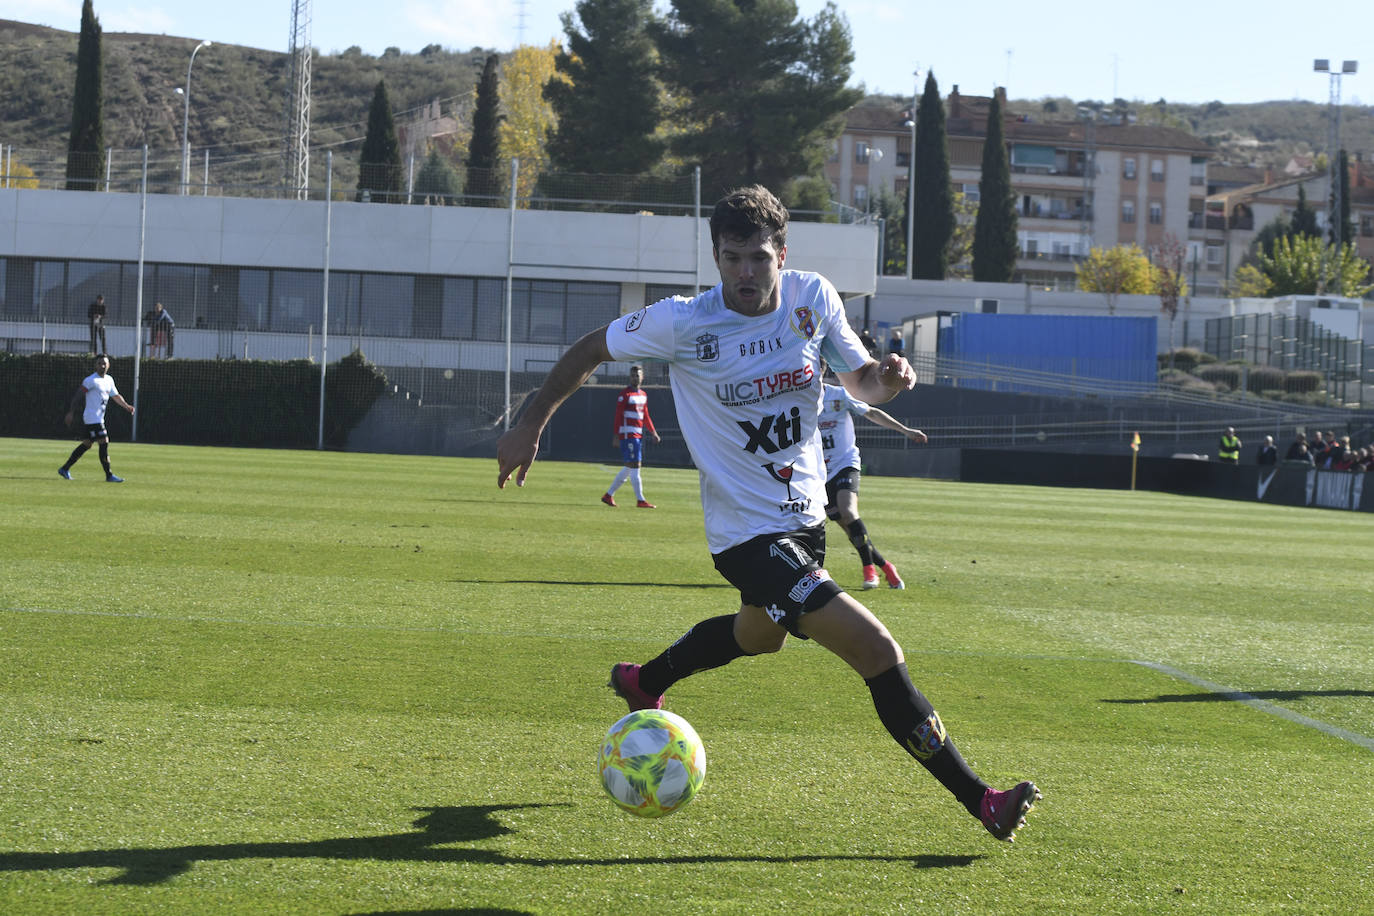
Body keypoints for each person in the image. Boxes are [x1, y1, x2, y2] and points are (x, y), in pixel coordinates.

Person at [496, 185, 1040, 843]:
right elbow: (589, 349)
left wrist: (889, 381)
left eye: (757, 258)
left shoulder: (813, 299)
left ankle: (647, 680)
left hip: (805, 523)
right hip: (746, 537)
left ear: (783, 252)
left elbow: (860, 381)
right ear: (716, 258)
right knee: (876, 649)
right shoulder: (683, 322)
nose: (744, 274)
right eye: (731, 259)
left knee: (760, 636)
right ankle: (982, 800)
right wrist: (530, 425)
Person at [818, 379, 926, 589]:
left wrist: (906, 430)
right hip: (821, 472)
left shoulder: (839, 395)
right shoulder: (801, 399)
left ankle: (869, 570)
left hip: (845, 463)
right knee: (851, 530)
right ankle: (886, 567)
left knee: (849, 512)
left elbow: (871, 412)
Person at [58, 353, 134, 483]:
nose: (102, 366)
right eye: (99, 363)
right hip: (92, 418)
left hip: (99, 418)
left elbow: (115, 395)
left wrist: (126, 406)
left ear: (108, 365)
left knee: (87, 444)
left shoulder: (109, 380)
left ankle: (64, 468)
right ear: (95, 365)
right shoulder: (90, 381)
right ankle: (109, 475)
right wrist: (71, 412)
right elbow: (78, 396)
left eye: (104, 363)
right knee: (104, 441)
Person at [602, 363, 660, 509]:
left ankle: (608, 495)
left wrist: (653, 432)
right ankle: (640, 500)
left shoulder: (643, 395)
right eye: (633, 375)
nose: (635, 378)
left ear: (642, 377)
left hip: (637, 435)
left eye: (637, 375)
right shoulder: (625, 395)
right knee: (636, 466)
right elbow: (618, 416)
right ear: (630, 377)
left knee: (629, 467)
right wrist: (616, 435)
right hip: (628, 435)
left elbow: (645, 415)